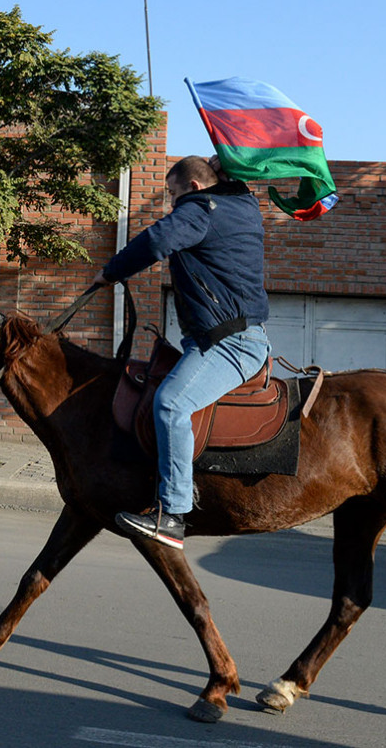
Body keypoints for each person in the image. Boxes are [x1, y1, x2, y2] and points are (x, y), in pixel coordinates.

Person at [92, 155, 269, 549]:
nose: (172, 204)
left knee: (171, 404)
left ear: (192, 187)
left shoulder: (202, 209)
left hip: (229, 343)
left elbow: (156, 240)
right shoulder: (242, 205)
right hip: (223, 337)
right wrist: (221, 164)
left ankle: (172, 514)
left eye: (172, 194)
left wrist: (111, 272)